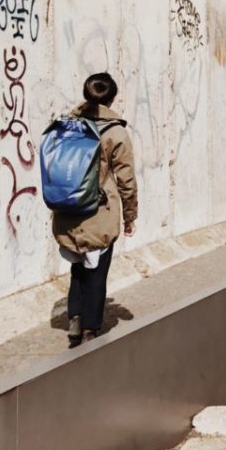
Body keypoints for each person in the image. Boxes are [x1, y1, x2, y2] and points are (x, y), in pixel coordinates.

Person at [53, 73, 138, 348]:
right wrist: (130, 216)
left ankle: (75, 318)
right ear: (111, 98)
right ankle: (90, 327)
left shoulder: (66, 125)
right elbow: (126, 180)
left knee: (77, 268)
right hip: (99, 212)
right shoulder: (115, 132)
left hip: (67, 210)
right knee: (96, 272)